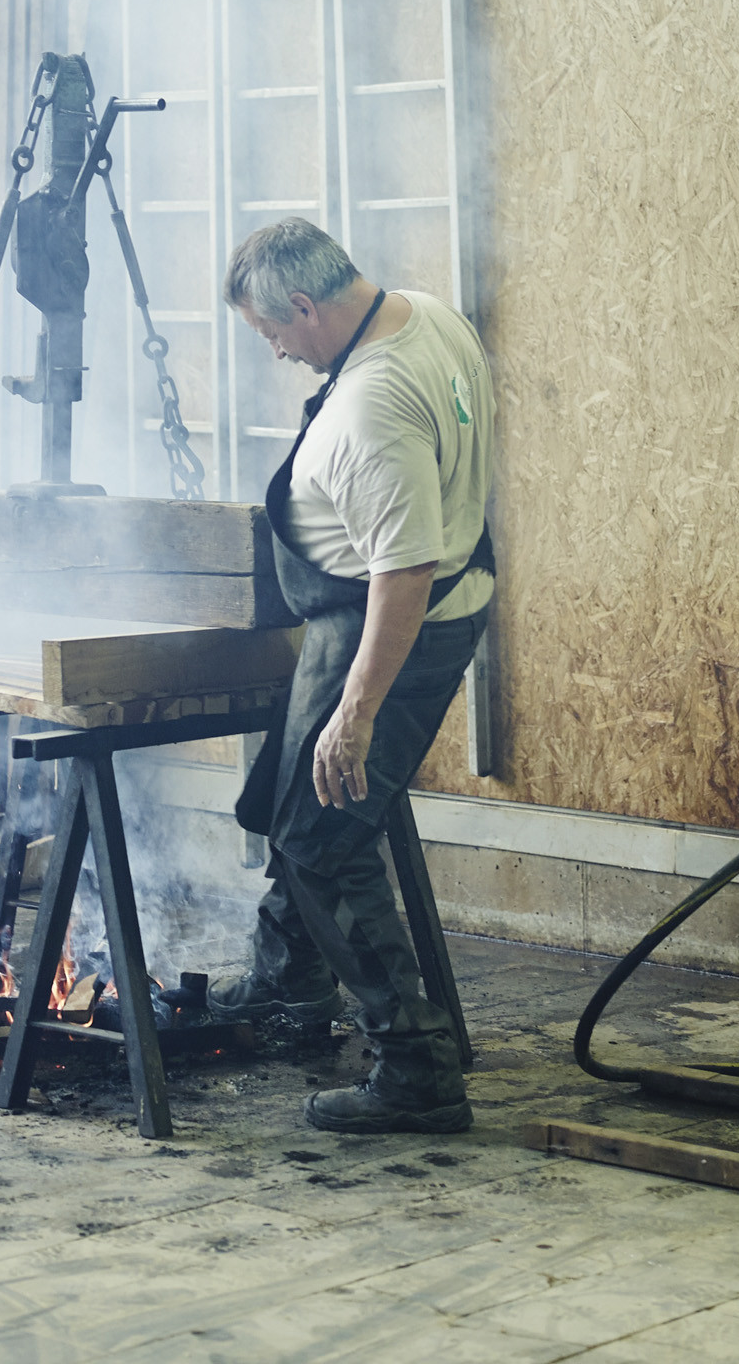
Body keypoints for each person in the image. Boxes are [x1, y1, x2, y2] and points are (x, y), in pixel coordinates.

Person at [207, 218, 495, 1133]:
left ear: (303, 305)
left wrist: (358, 713)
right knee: (296, 805)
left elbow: (402, 572)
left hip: (393, 625)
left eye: (272, 334)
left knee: (324, 837)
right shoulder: (426, 316)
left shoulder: (369, 406)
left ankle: (415, 1066)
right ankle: (290, 982)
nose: (278, 351)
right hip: (386, 610)